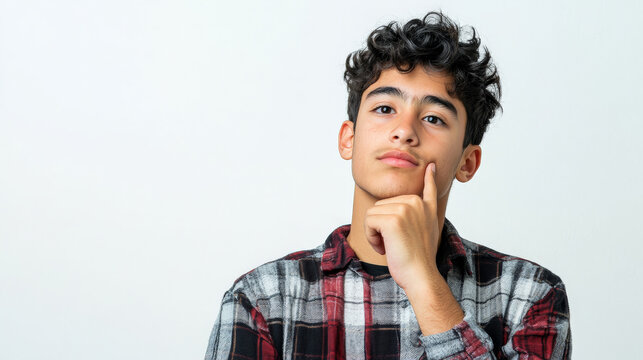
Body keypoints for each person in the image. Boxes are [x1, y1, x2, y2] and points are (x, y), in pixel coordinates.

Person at [204, 11, 571, 360]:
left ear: (467, 162)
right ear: (349, 139)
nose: (404, 130)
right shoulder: (263, 299)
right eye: (384, 109)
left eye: (433, 118)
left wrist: (423, 279)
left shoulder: (530, 294)